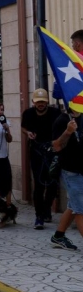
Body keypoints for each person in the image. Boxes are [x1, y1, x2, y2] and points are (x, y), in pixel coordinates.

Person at [21, 88, 62, 229]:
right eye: (38, 102)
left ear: (47, 102)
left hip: (52, 152)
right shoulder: (28, 113)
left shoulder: (55, 113)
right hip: (36, 151)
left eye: (43, 102)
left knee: (52, 183)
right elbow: (23, 127)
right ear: (34, 102)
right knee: (38, 184)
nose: (40, 104)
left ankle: (46, 210)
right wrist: (28, 133)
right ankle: (39, 216)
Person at [49, 107, 82, 250]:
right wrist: (68, 132)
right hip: (71, 171)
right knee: (80, 209)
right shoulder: (62, 120)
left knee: (73, 205)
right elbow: (56, 145)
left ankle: (58, 236)